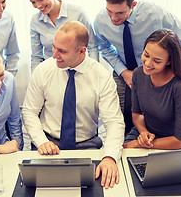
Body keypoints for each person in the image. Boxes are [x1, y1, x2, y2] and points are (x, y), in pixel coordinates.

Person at [22, 21, 125, 189]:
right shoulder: (43, 70)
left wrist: (110, 157)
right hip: (48, 144)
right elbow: (29, 111)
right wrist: (41, 142)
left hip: (86, 145)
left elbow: (114, 122)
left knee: (102, 189)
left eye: (62, 51)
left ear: (82, 51)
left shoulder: (101, 76)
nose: (54, 55)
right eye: (54, 47)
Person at [94, 0, 181, 136]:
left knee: (162, 114)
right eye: (110, 11)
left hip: (157, 68)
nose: (113, 18)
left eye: (120, 13)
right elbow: (104, 47)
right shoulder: (101, 20)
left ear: (133, 5)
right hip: (125, 68)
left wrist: (171, 71)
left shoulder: (155, 13)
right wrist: (123, 71)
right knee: (118, 114)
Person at [123, 29, 181, 149]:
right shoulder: (138, 74)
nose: (147, 63)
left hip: (170, 142)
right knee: (120, 159)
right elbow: (136, 114)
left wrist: (140, 144)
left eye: (157, 61)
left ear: (169, 62)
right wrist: (143, 133)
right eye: (146, 55)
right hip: (144, 133)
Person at [26, 0, 99, 72]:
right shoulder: (35, 21)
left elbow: (92, 47)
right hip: (52, 72)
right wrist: (34, 80)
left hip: (79, 70)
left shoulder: (77, 13)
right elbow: (36, 56)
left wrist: (93, 73)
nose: (38, 6)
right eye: (33, 2)